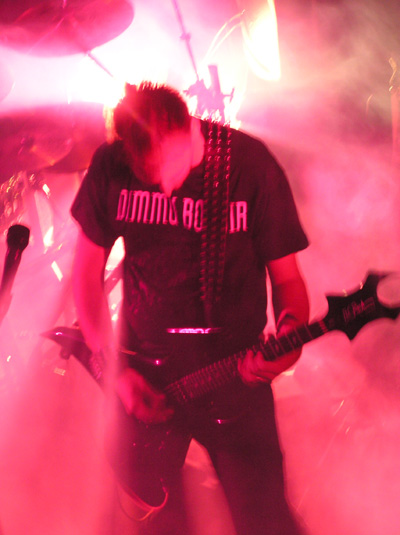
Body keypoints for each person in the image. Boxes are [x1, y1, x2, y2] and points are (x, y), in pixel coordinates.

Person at [71, 81, 310, 535]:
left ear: (187, 129)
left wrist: (289, 339)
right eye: (149, 178)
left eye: (169, 169)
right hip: (146, 375)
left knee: (266, 520)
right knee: (159, 524)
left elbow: (288, 280)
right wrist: (116, 372)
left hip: (234, 373)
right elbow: (85, 276)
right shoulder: (110, 164)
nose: (164, 187)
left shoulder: (249, 166)